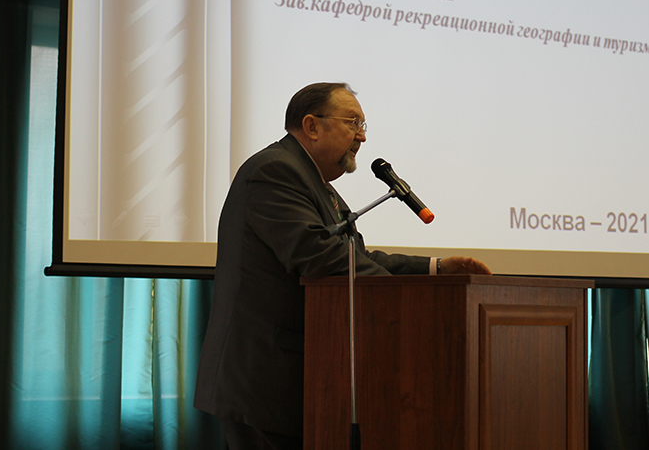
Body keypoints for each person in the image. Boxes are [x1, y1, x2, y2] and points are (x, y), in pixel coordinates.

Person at [194, 82, 491, 450]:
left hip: (293, 378)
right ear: (312, 125)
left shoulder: (314, 181)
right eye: (353, 123)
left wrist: (436, 269)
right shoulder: (274, 171)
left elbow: (354, 257)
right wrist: (411, 298)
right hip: (262, 378)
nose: (362, 136)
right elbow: (319, 256)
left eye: (363, 125)